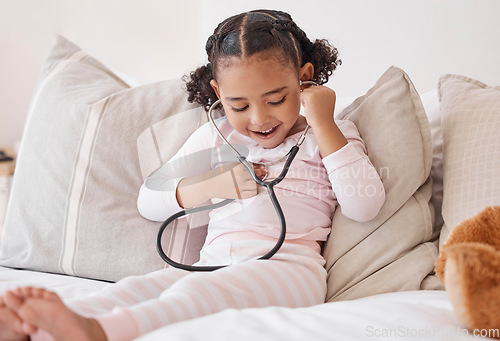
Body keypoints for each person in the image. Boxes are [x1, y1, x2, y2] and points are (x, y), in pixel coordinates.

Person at [0, 9, 385, 341]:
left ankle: (100, 332)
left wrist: (322, 121)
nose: (259, 118)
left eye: (276, 99)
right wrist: (215, 185)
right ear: (218, 92)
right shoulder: (216, 137)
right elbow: (150, 199)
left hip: (287, 269)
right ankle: (35, 327)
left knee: (196, 296)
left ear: (305, 79)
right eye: (239, 104)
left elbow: (365, 205)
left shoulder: (331, 134)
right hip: (211, 263)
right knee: (144, 287)